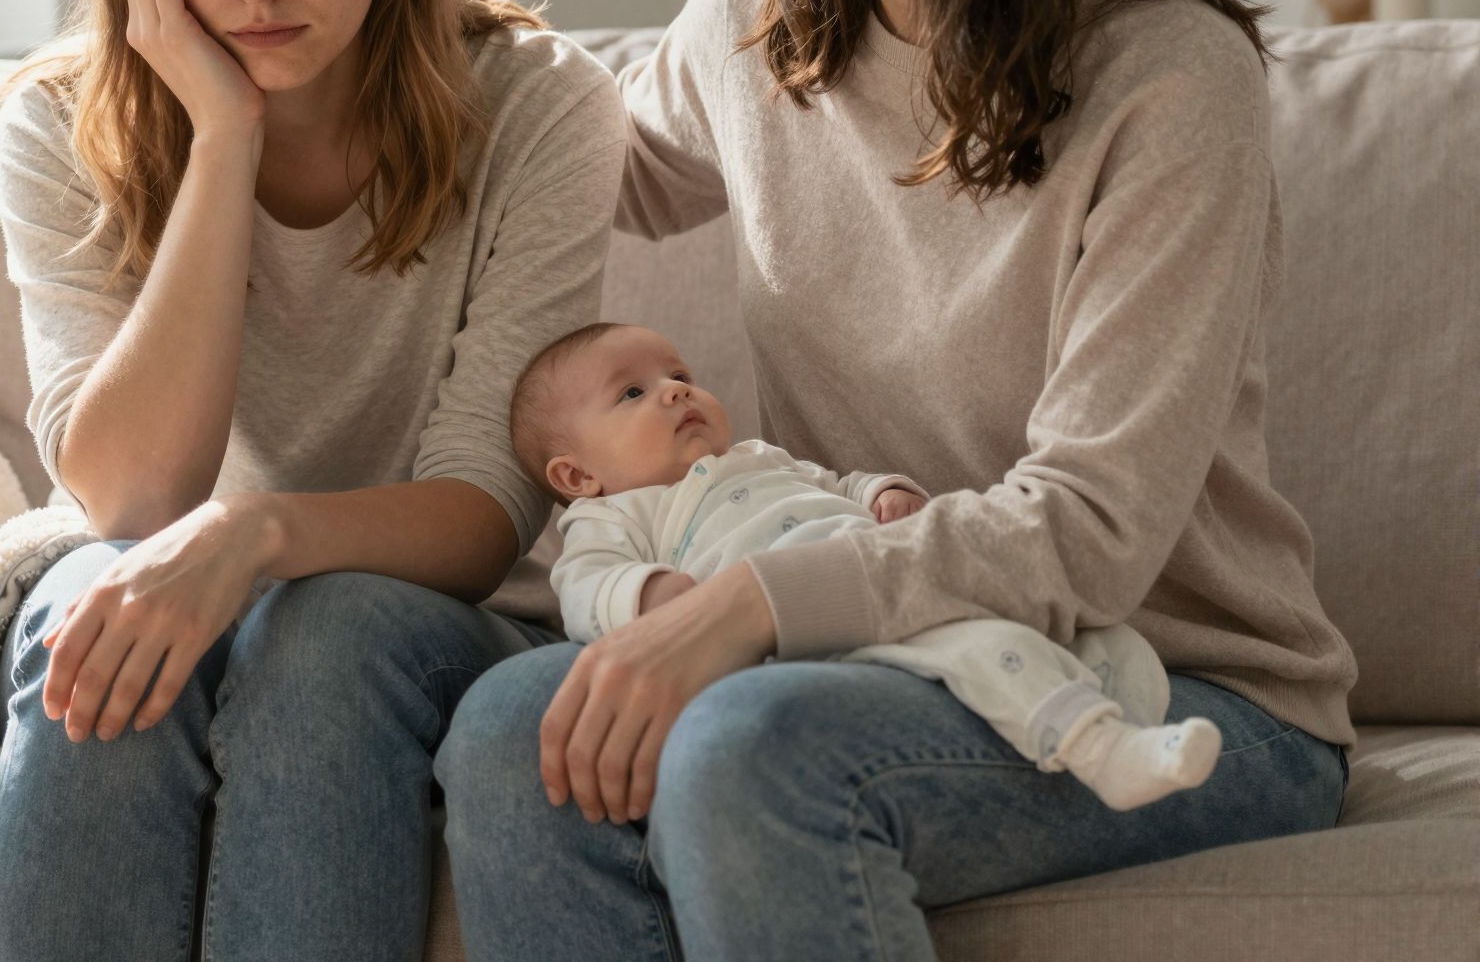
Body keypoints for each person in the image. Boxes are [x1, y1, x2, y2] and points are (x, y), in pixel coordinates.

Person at [436, 0, 1357, 962]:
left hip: (1172, 689)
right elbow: (558, 168)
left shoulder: (1171, 82)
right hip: (872, 656)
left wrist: (744, 607)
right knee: (510, 725)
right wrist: (345, 20)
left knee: (751, 750)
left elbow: (1096, 534)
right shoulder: (758, 14)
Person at [0, 0, 625, 962]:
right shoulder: (59, 122)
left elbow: (484, 514)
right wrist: (223, 136)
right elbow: (129, 504)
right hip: (177, 575)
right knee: (94, 607)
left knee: (326, 635)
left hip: (415, 618)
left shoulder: (542, 106)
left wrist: (259, 535)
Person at [513, 321, 1224, 812]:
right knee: (976, 650)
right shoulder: (615, 516)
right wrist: (651, 595)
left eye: (678, 374)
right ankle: (1097, 749)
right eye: (632, 393)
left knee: (1105, 636)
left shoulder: (758, 459)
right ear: (576, 476)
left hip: (885, 582)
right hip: (823, 637)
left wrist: (882, 492)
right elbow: (582, 586)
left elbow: (837, 484)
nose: (675, 390)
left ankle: (1118, 703)